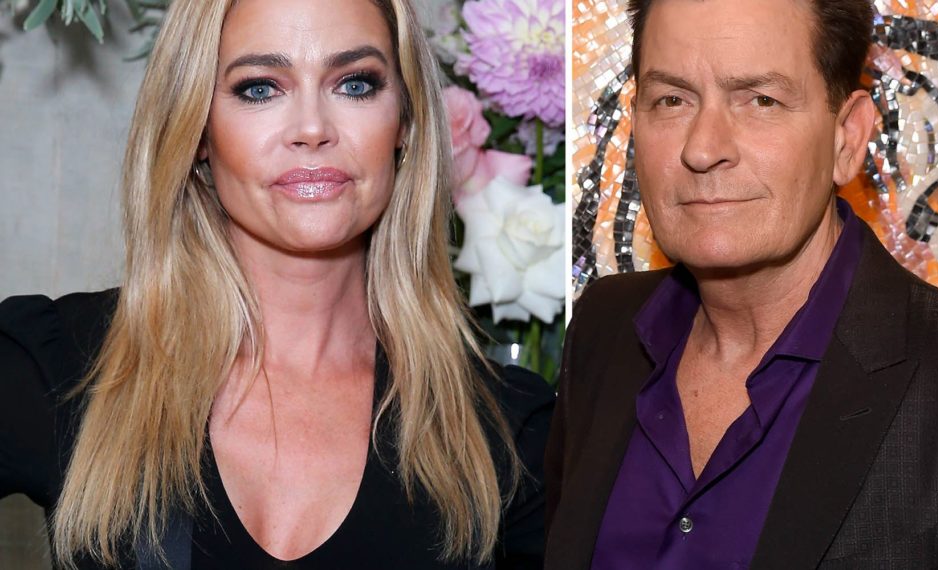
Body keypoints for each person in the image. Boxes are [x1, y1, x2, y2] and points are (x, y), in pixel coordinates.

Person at [544, 0, 938, 567]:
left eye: (762, 100)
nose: (702, 149)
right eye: (671, 99)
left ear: (847, 138)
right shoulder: (603, 331)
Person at [0, 0, 553, 568]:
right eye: (260, 88)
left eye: (355, 84)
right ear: (198, 129)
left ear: (405, 123)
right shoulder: (65, 365)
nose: (312, 129)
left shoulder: (510, 434)